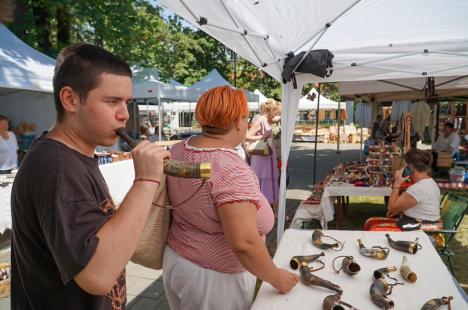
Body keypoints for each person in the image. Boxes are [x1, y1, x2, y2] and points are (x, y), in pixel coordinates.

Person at [11, 43, 170, 309]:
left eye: (126, 102)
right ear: (70, 99)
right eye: (112, 101)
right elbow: (98, 276)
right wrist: (146, 181)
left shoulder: (72, 156)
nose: (123, 115)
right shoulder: (58, 169)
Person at [163, 86, 298, 310]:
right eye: (246, 118)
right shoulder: (229, 167)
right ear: (238, 121)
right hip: (213, 279)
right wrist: (275, 277)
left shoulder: (178, 148)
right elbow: (244, 243)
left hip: (179, 259)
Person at [246, 98, 281, 209]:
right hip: (261, 154)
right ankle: (261, 208)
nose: (277, 113)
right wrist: (262, 136)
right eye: (276, 111)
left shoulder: (270, 119)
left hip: (269, 153)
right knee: (263, 179)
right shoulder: (261, 120)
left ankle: (270, 209)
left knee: (270, 178)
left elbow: (281, 117)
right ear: (271, 110)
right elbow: (247, 136)